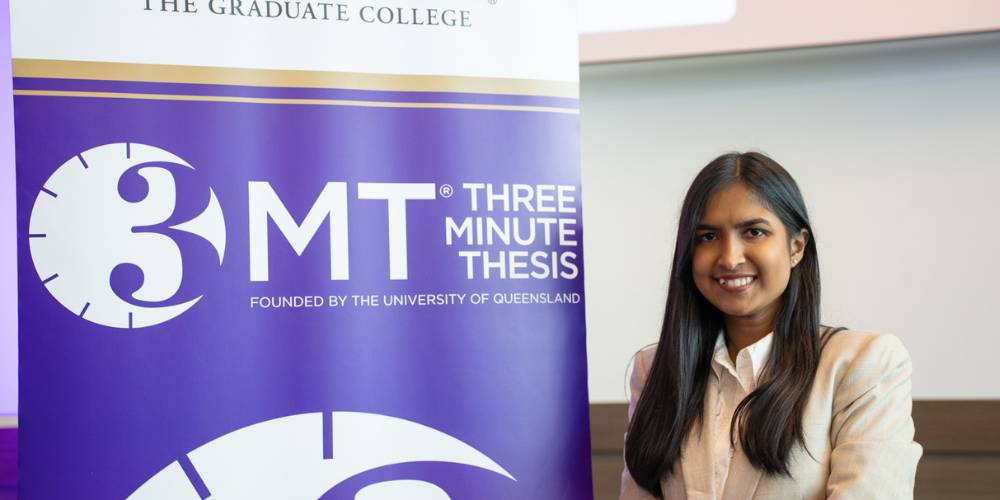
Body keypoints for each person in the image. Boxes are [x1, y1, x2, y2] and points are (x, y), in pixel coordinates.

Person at [620, 152, 922, 499]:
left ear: (796, 247)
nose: (730, 257)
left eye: (754, 232)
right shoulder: (654, 368)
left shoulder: (864, 364)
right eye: (707, 237)